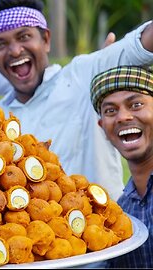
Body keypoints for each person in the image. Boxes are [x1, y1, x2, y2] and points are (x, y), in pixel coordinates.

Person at [0, 0, 153, 201]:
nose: (15, 51)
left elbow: (140, 45)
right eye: (0, 44)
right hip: (40, 231)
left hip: (107, 226)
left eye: (24, 36)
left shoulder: (84, 73)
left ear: (46, 40)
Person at [91, 65, 153, 268]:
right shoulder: (122, 210)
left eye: (135, 105)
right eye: (110, 110)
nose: (123, 117)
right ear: (103, 127)